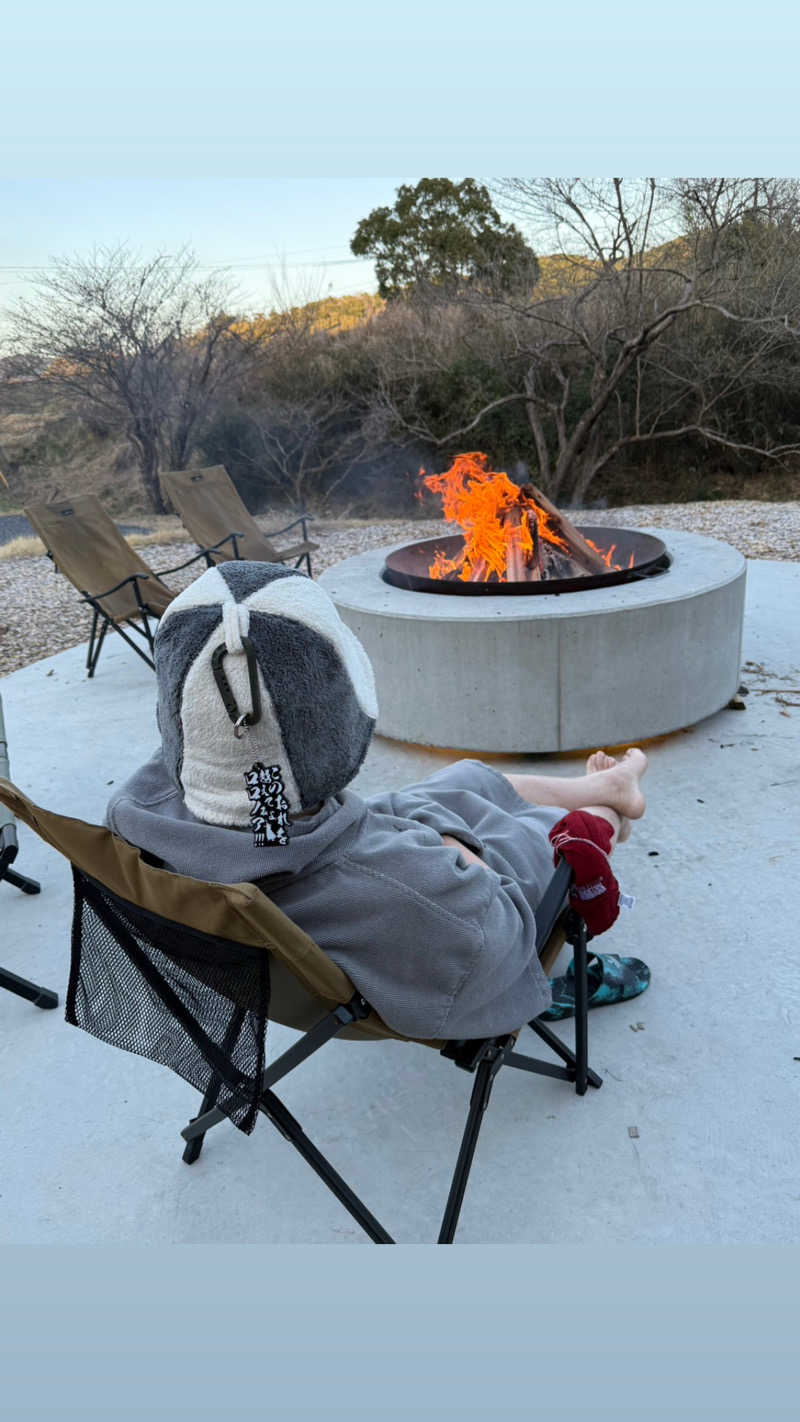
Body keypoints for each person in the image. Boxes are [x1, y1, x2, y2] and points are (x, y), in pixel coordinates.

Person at [106, 561, 649, 1042]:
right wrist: (453, 847)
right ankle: (608, 805)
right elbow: (497, 942)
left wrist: (429, 829)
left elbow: (260, 768)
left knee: (466, 778)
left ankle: (602, 786)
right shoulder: (426, 902)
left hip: (301, 859)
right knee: (565, 827)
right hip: (451, 894)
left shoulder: (141, 808)